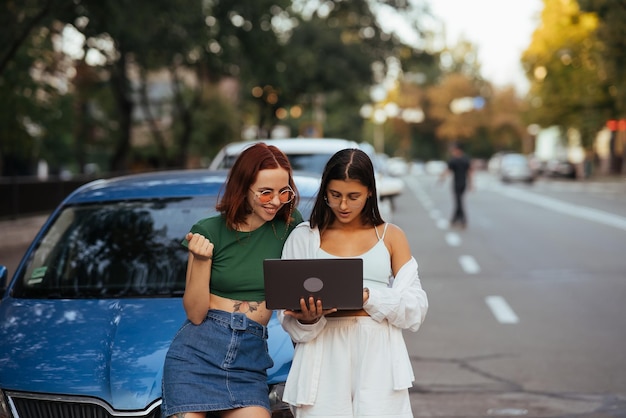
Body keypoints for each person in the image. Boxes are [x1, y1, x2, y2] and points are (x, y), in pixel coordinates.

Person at [277, 148, 428, 418]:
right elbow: (288, 320)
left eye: (353, 196)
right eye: (335, 195)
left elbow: (415, 309)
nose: (343, 205)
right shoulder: (304, 237)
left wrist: (368, 296)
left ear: (370, 191)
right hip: (321, 353)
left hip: (378, 353)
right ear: (325, 192)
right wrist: (308, 319)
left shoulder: (390, 237)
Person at [162, 143, 303, 418]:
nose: (276, 201)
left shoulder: (290, 226)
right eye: (265, 193)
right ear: (243, 187)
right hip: (197, 354)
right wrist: (202, 260)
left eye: (284, 192)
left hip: (249, 359)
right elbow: (195, 313)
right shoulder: (207, 231)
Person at [440, 142, 473, 228]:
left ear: (458, 150)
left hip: (458, 184)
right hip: (461, 183)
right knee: (459, 201)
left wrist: (442, 177)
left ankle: (462, 220)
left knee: (459, 202)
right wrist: (471, 184)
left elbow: (469, 172)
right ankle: (454, 219)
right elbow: (469, 172)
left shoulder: (456, 160)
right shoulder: (463, 159)